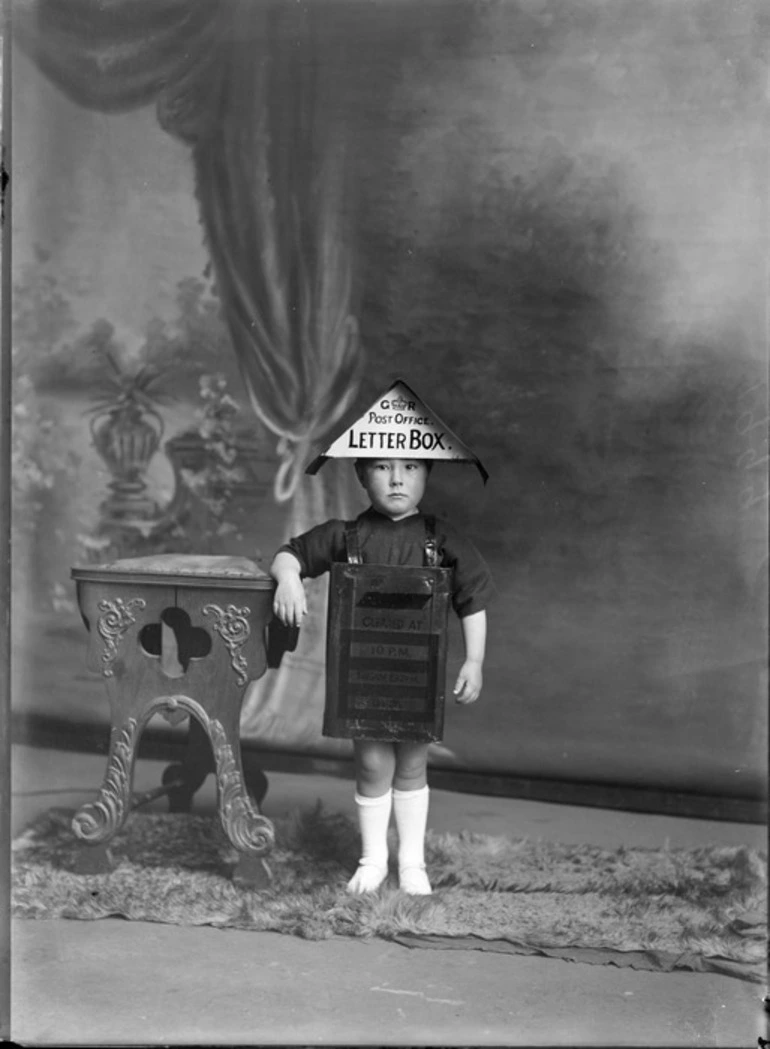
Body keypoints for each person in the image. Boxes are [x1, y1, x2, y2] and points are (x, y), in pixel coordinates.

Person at [270, 454, 494, 896]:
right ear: (360, 474)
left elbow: (473, 597)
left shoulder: (440, 538)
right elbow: (288, 555)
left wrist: (474, 660)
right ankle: (373, 860)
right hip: (364, 674)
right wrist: (289, 579)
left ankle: (412, 863)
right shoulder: (344, 536)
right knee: (372, 763)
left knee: (412, 762)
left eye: (410, 468)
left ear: (428, 474)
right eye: (382, 467)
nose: (396, 478)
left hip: (417, 673)